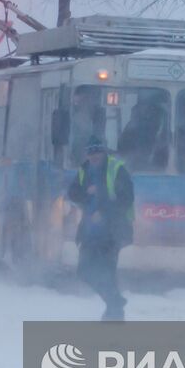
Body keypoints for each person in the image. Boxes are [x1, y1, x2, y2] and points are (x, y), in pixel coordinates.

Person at [66, 136, 134, 321]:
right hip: (89, 232)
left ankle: (114, 316)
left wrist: (103, 212)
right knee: (84, 271)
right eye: (90, 152)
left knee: (108, 274)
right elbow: (72, 192)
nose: (94, 156)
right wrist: (86, 194)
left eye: (97, 151)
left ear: (103, 152)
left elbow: (126, 199)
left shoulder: (116, 169)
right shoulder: (85, 169)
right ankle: (115, 302)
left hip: (113, 232)